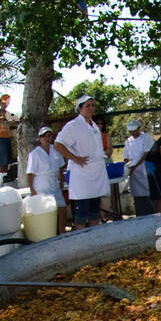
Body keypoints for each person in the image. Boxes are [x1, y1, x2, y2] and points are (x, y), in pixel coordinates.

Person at [54, 95, 109, 228]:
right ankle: (81, 239)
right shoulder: (73, 126)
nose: (91, 108)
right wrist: (75, 158)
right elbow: (58, 144)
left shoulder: (94, 125)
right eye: (87, 106)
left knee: (94, 210)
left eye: (93, 105)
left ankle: (94, 237)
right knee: (82, 211)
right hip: (82, 175)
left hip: (96, 173)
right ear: (79, 108)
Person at [26, 126, 67, 236]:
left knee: (62, 208)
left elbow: (61, 167)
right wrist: (32, 190)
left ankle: (62, 232)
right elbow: (30, 173)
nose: (48, 138)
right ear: (40, 138)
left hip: (54, 183)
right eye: (45, 136)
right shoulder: (34, 154)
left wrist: (62, 180)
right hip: (42, 184)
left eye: (50, 136)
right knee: (47, 210)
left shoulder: (56, 150)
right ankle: (49, 234)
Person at [122, 119, 157, 217]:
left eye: (134, 130)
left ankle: (153, 212)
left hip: (145, 168)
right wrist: (126, 166)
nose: (133, 133)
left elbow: (146, 153)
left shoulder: (146, 137)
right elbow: (126, 156)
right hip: (134, 171)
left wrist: (135, 166)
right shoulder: (128, 141)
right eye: (131, 131)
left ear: (139, 128)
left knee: (149, 190)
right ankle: (141, 214)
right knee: (138, 194)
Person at [0, 94, 18, 173]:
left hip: (7, 138)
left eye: (6, 103)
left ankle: (7, 175)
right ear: (0, 103)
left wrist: (14, 118)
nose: (4, 105)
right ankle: (2, 175)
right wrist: (2, 117)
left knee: (8, 159)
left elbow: (15, 121)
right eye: (3, 103)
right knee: (2, 159)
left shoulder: (8, 113)